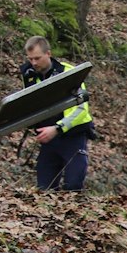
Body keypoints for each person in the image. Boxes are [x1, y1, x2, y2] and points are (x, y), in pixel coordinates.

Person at [19, 35, 95, 192]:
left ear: (48, 54)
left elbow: (81, 109)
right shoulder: (29, 74)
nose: (34, 63)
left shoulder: (69, 73)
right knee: (44, 190)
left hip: (73, 135)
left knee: (73, 185)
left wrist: (58, 128)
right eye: (30, 59)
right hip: (48, 138)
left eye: (37, 58)